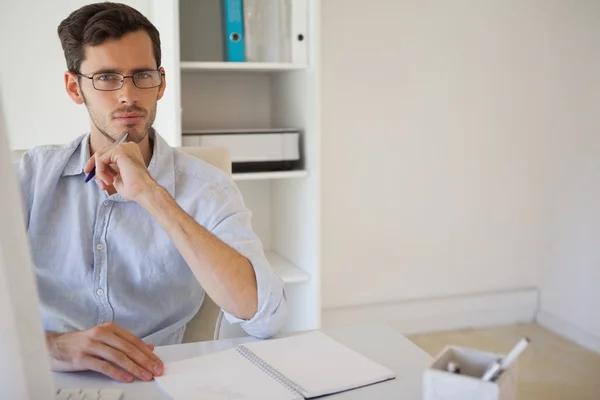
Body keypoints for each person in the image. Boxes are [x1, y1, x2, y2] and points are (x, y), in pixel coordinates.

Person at [15, 2, 287, 384]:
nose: (129, 95)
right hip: (45, 376)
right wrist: (52, 345)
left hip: (160, 379)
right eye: (107, 78)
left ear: (160, 82)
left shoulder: (207, 187)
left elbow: (266, 316)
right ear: (74, 88)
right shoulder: (29, 177)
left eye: (142, 75)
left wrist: (152, 195)